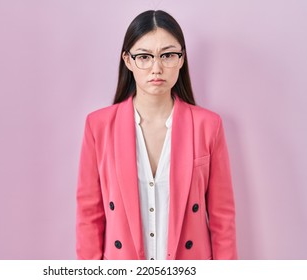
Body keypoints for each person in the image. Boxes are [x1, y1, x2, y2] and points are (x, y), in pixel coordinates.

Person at [76, 10, 237, 260]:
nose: (157, 67)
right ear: (128, 61)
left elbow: (222, 217)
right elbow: (89, 215)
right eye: (144, 56)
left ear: (182, 59)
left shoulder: (209, 125)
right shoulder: (98, 126)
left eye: (168, 55)